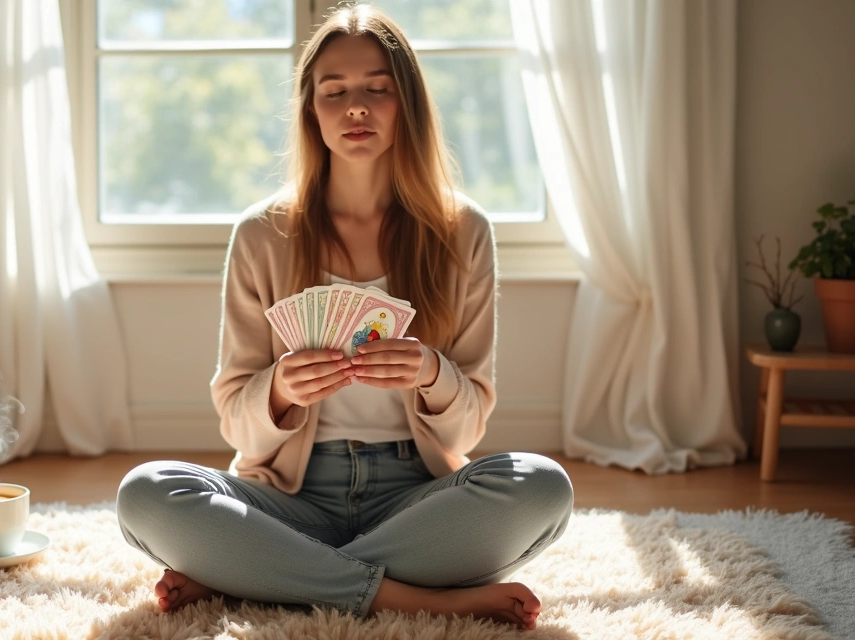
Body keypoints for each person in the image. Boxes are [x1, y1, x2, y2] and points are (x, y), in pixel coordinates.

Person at [116, 4, 573, 631]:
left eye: (377, 89)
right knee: (146, 492)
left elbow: (466, 429)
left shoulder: (463, 231)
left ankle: (259, 574)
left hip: (417, 498)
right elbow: (237, 427)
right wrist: (278, 390)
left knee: (543, 486)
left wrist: (432, 372)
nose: (355, 107)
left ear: (406, 103)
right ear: (312, 111)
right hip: (286, 498)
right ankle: (413, 597)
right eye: (334, 92)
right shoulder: (261, 234)